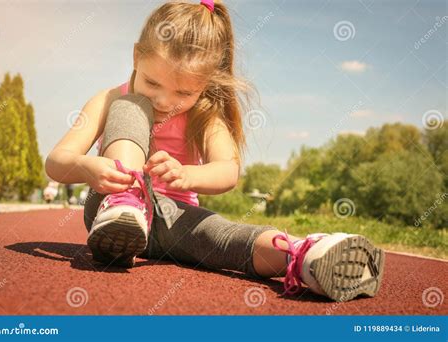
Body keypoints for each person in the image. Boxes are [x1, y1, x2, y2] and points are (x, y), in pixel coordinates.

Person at [45, 0, 384, 302]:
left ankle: (305, 256)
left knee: (223, 236)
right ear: (136, 56)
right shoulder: (108, 98)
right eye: (152, 83)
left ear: (204, 84)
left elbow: (228, 171)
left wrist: (187, 174)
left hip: (176, 218)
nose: (164, 101)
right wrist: (87, 166)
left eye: (183, 93)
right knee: (131, 106)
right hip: (108, 208)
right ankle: (127, 203)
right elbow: (56, 162)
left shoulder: (206, 114)